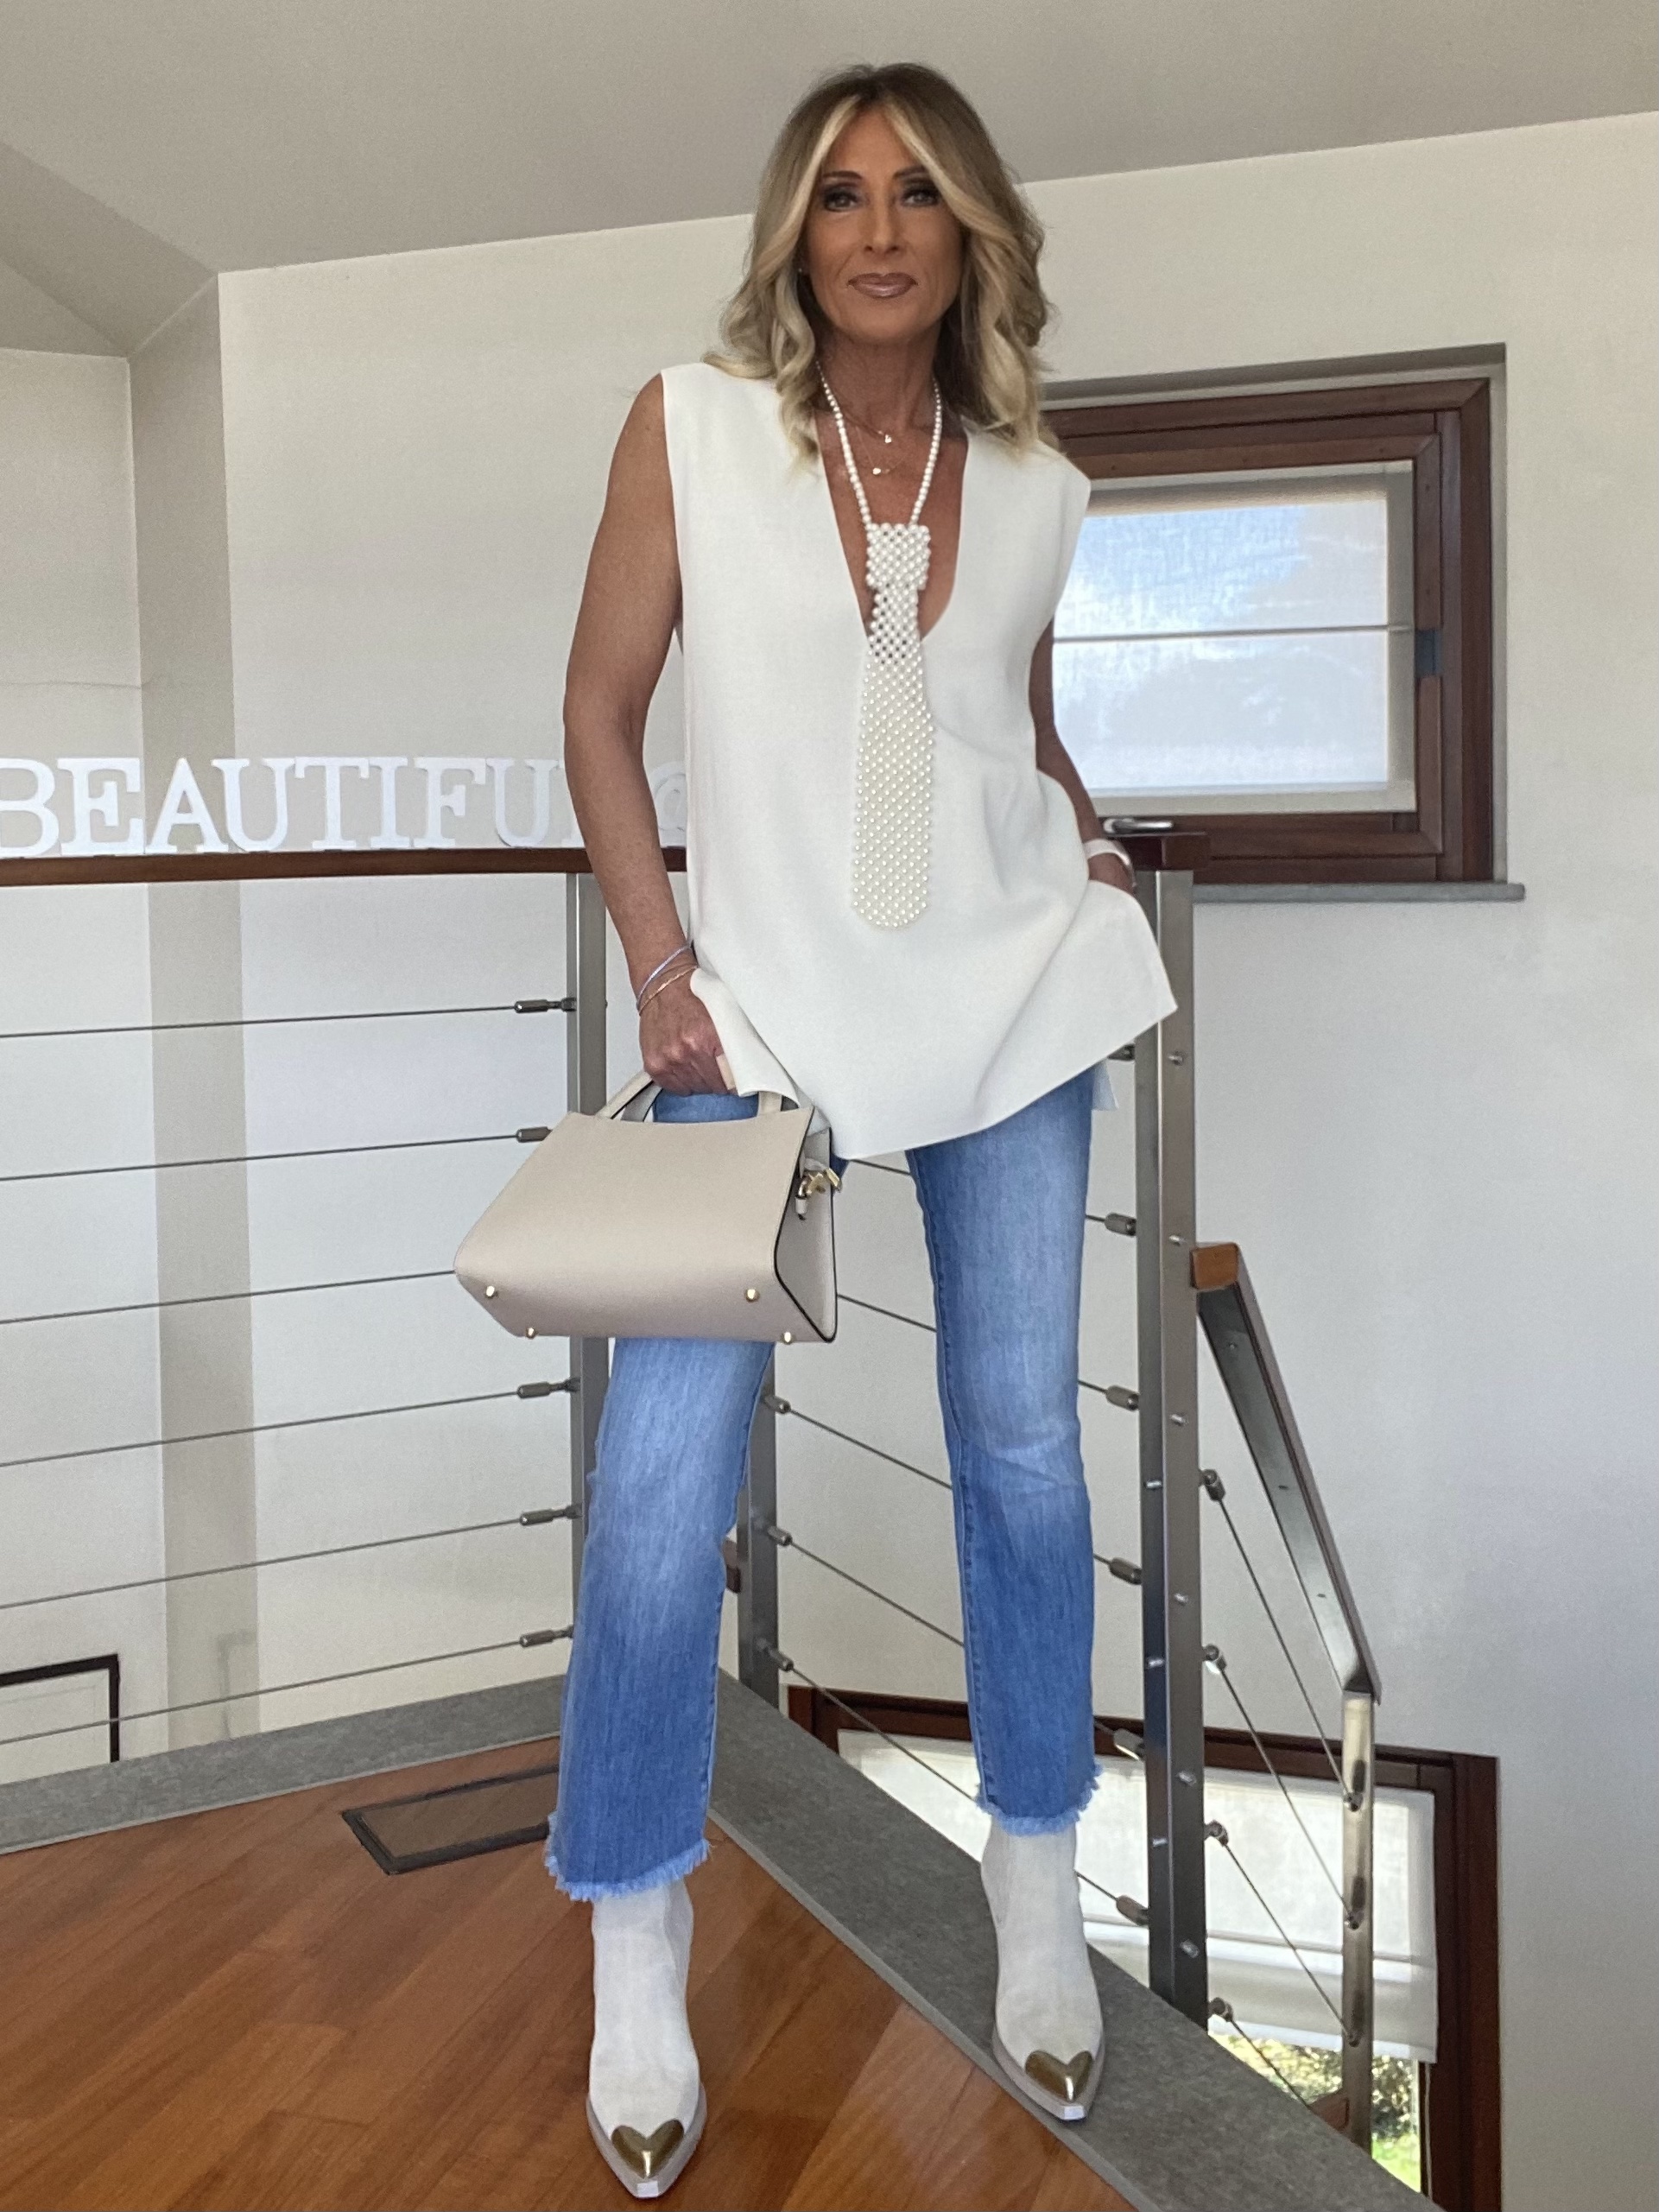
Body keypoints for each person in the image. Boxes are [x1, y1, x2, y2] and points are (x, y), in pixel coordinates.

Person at [549, 59, 1175, 2198]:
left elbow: (1009, 733)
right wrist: (661, 973)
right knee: (661, 1490)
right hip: (753, 1017)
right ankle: (635, 1922)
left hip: (1007, 1000)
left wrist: (1085, 840)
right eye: (840, 194)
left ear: (971, 229)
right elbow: (598, 714)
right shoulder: (691, 429)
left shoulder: (1042, 485)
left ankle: (1033, 1881)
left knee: (1020, 1446)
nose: (880, 229)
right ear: (794, 235)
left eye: (916, 193)